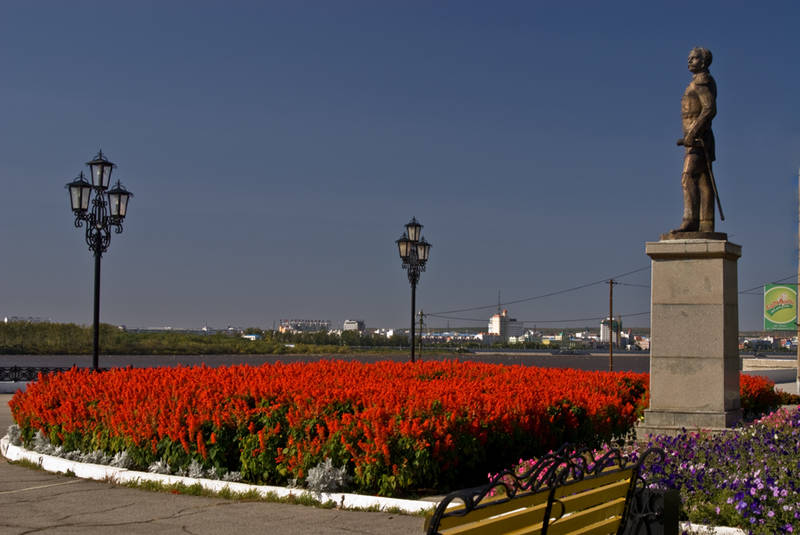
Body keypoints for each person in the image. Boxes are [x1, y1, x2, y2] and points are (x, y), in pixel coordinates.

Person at [672, 47, 717, 233]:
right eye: (689, 58)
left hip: (698, 140)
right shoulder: (699, 81)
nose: (690, 61)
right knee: (703, 180)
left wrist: (692, 133)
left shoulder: (701, 81)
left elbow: (709, 109)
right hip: (697, 139)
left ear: (704, 62)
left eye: (694, 58)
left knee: (688, 176)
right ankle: (706, 222)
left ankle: (690, 219)